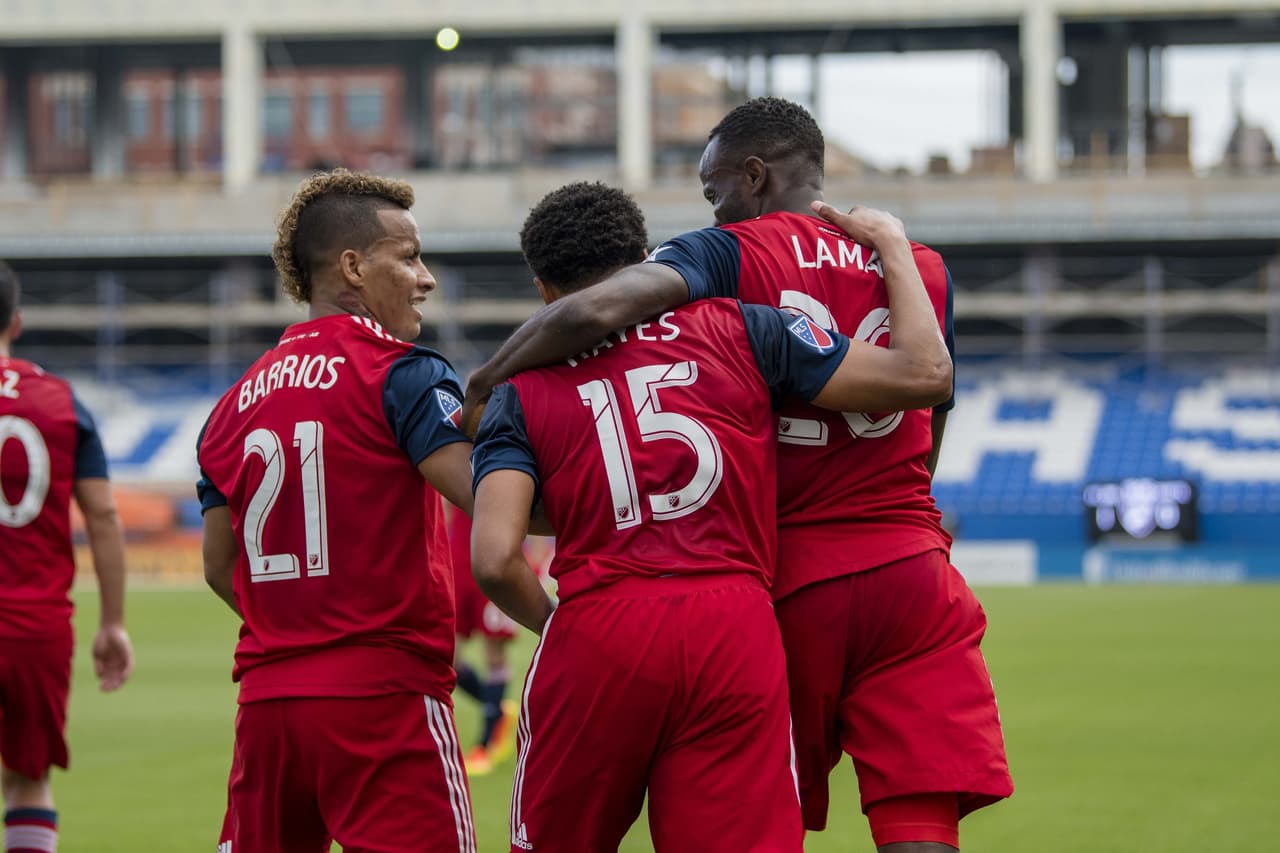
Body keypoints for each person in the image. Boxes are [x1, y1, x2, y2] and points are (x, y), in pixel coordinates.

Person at [463, 99, 1013, 853]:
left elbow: (602, 316)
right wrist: (888, 242)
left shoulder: (724, 260)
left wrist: (490, 378)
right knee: (918, 811)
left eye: (713, 186)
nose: (711, 205)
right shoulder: (913, 271)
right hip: (896, 568)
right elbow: (931, 395)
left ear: (752, 176)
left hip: (774, 574)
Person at [196, 169, 478, 852]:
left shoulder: (231, 406)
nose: (426, 277)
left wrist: (303, 627)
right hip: (382, 699)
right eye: (408, 256)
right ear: (353, 266)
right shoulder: (400, 373)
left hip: (268, 705)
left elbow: (216, 567)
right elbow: (493, 502)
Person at [0, 261, 134, 853]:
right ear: (17, 322)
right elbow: (103, 517)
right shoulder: (60, 402)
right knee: (29, 782)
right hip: (34, 627)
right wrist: (111, 623)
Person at [444, 502, 518, 776]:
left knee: (494, 656)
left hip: (492, 562)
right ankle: (498, 709)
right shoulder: (450, 459)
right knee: (448, 659)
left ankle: (484, 746)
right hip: (457, 565)